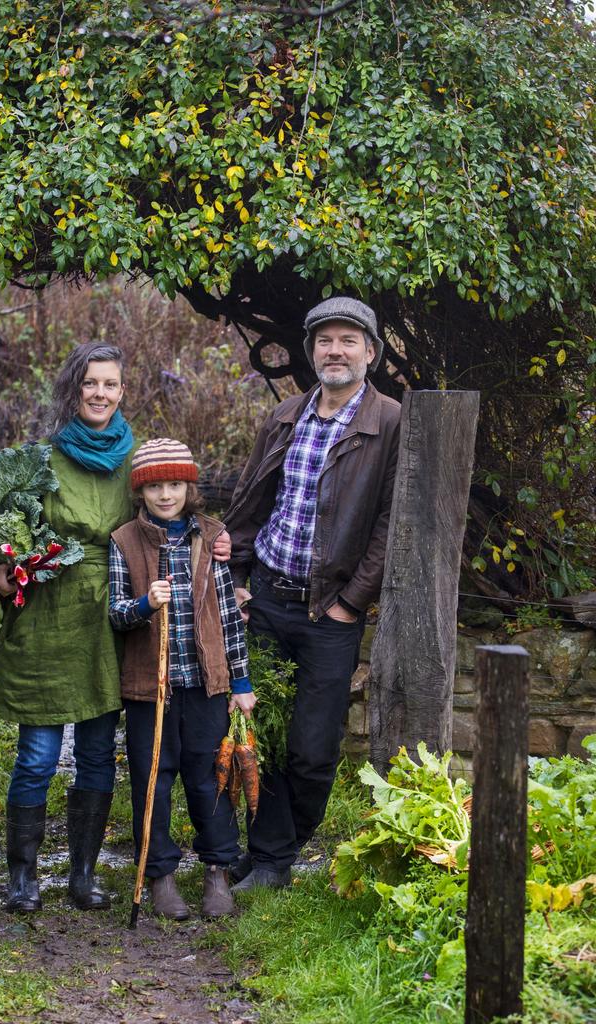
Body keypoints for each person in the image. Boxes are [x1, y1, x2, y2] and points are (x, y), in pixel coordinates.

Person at [0, 344, 230, 915]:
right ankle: (23, 877)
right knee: (37, 754)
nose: (100, 393)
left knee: (94, 753)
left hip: (114, 618)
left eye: (110, 384)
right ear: (74, 389)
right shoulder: (42, 458)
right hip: (48, 618)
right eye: (90, 383)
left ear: (123, 391)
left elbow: (174, 508)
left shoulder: (137, 457)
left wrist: (217, 535)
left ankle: (82, 877)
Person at [224, 296, 401, 891]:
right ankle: (271, 857)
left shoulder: (390, 423)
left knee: (314, 744)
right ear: (311, 352)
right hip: (270, 596)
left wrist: (352, 600)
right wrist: (241, 579)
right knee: (266, 728)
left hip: (330, 608)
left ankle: (286, 842)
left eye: (349, 340)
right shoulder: (287, 415)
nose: (336, 350)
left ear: (370, 354)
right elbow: (253, 498)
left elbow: (390, 522)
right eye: (325, 340)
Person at [109, 438, 256, 920]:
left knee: (208, 777)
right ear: (141, 492)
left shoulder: (211, 536)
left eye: (174, 484)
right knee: (153, 779)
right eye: (155, 487)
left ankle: (217, 868)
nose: (166, 495)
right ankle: (160, 874)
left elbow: (229, 618)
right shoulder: (124, 541)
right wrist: (144, 604)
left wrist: (240, 682)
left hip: (204, 683)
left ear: (188, 487)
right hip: (149, 688)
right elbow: (115, 615)